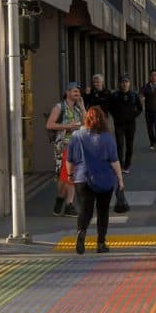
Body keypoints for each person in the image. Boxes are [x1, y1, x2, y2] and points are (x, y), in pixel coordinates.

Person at [67, 106, 123, 255]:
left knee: (85, 210)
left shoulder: (76, 136)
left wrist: (70, 175)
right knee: (103, 211)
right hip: (104, 178)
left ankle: (81, 231)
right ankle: (101, 243)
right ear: (103, 120)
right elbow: (114, 161)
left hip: (82, 178)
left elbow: (70, 160)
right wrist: (120, 179)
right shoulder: (107, 137)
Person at [46, 83, 86, 217]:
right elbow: (49, 124)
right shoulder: (59, 107)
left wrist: (82, 106)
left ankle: (69, 204)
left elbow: (87, 123)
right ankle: (60, 199)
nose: (77, 93)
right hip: (61, 146)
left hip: (75, 146)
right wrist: (67, 126)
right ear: (67, 92)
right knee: (62, 178)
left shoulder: (77, 109)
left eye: (78, 92)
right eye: (74, 91)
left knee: (72, 174)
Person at [107, 75, 143, 173]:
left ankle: (127, 165)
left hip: (130, 124)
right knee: (119, 145)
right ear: (119, 84)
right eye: (122, 82)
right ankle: (120, 165)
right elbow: (109, 107)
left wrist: (133, 115)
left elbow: (140, 108)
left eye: (126, 82)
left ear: (129, 84)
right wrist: (115, 115)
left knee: (129, 145)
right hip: (119, 124)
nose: (124, 84)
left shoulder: (133, 95)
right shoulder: (115, 95)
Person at [140, 68, 156, 156]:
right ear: (149, 77)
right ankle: (152, 142)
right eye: (152, 75)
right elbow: (141, 94)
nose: (154, 77)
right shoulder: (146, 87)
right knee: (150, 128)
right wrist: (141, 98)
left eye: (155, 75)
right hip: (148, 111)